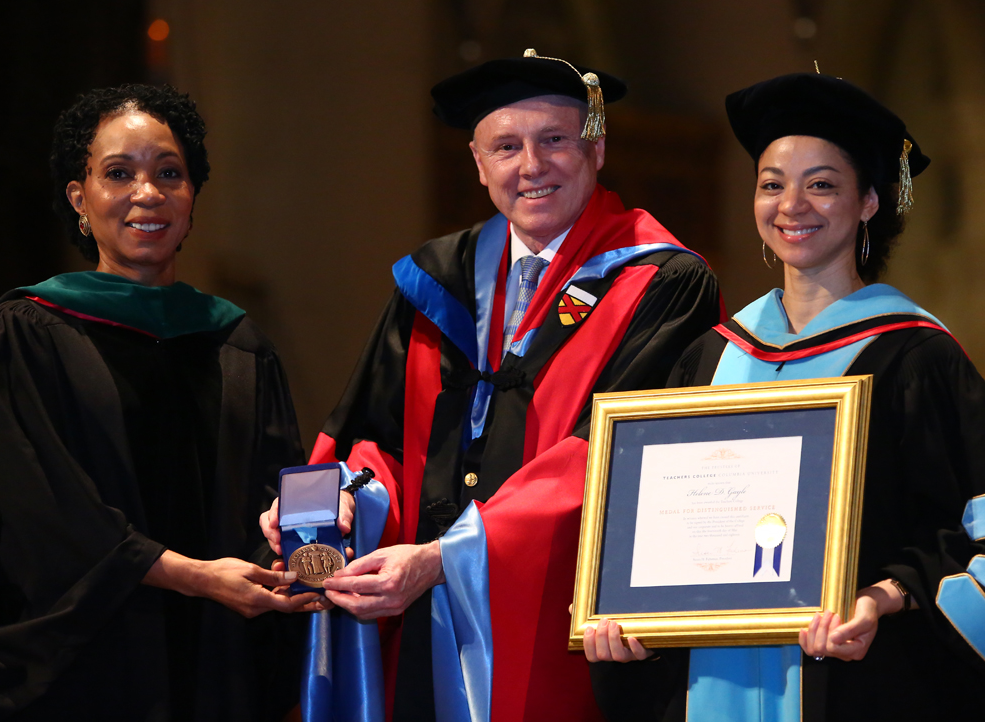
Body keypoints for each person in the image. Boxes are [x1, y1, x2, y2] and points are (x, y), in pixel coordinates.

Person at [260, 50, 723, 721]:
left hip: (561, 620)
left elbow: (611, 458)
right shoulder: (435, 282)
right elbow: (371, 438)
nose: (530, 166)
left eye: (555, 140)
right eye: (506, 146)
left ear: (596, 150)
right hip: (420, 612)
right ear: (478, 165)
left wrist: (446, 558)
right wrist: (322, 508)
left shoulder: (662, 283)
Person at [584, 73, 985, 722]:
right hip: (708, 688)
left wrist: (885, 596)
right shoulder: (709, 356)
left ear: (869, 201)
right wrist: (626, 615)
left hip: (856, 688)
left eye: (822, 184)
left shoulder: (917, 358)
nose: (793, 205)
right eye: (772, 184)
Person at [0, 85, 320, 721]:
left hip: (217, 664)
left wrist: (308, 544)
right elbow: (41, 507)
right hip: (85, 668)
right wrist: (192, 575)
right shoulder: (30, 330)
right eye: (118, 173)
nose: (148, 193)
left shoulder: (237, 343)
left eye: (169, 173)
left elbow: (280, 490)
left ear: (192, 199)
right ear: (79, 199)